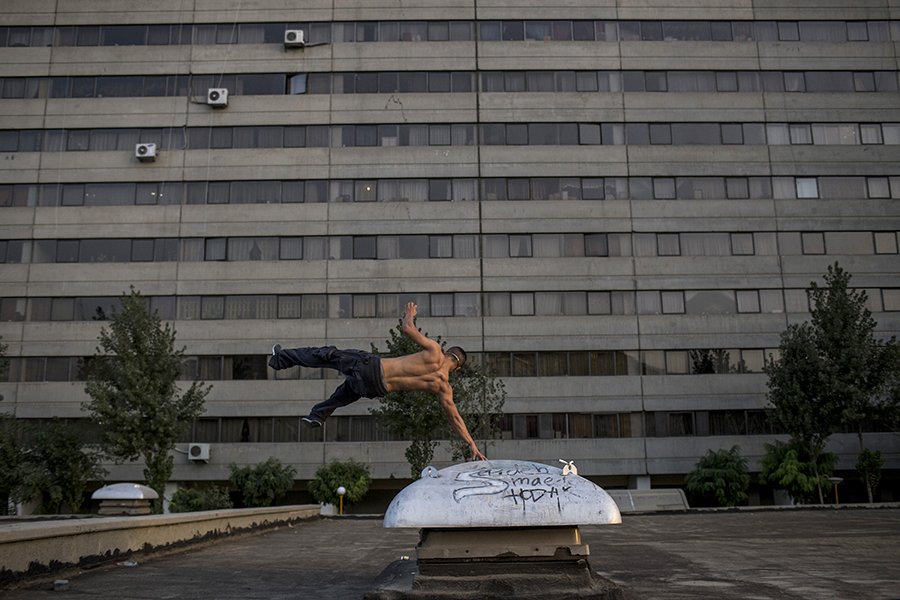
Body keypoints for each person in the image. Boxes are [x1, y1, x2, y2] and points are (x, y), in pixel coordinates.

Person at [269, 302, 487, 461]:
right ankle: (317, 415)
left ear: (449, 353)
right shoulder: (444, 388)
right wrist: (472, 444)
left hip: (371, 367)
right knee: (346, 393)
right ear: (457, 368)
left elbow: (407, 329)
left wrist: (409, 314)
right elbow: (455, 418)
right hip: (376, 388)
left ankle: (281, 359)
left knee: (325, 355)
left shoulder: (435, 351)